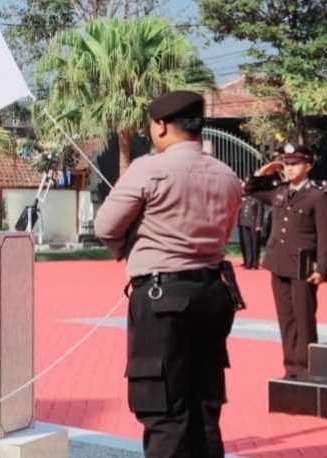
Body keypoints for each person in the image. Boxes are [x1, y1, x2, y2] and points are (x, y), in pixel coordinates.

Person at [94, 91, 241, 458]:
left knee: (165, 411)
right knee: (205, 407)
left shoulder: (149, 169)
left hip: (163, 300)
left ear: (160, 126)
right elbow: (225, 231)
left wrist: (127, 251)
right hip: (213, 293)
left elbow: (106, 227)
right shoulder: (227, 175)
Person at [245, 143, 327, 379]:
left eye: (295, 164)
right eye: (286, 163)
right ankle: (291, 366)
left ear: (308, 166)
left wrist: (322, 268)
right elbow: (250, 191)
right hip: (278, 261)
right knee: (285, 317)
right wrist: (262, 173)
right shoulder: (280, 191)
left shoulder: (317, 196)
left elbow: (325, 235)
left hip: (303, 264)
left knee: (304, 316)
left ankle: (306, 368)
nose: (289, 168)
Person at [238, 188, 265, 270]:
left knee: (255, 244)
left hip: (254, 224)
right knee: (247, 244)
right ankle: (248, 263)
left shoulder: (258, 199)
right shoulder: (244, 199)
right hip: (244, 222)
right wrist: (239, 222)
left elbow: (260, 212)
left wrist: (259, 224)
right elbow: (240, 212)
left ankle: (255, 263)